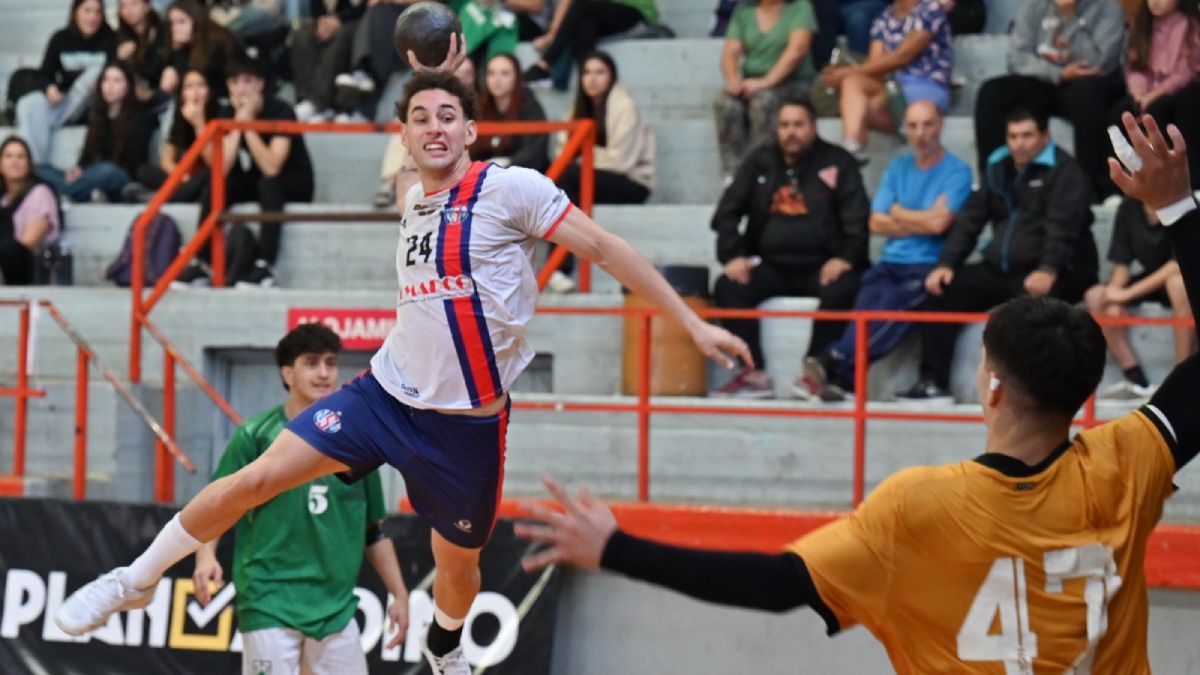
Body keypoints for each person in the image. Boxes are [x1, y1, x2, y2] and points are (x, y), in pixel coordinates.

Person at [54, 68, 750, 675]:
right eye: (420, 118)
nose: (435, 127)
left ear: (474, 130)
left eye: (449, 115)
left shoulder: (511, 190)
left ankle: (445, 644)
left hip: (465, 429)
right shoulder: (412, 198)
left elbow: (602, 244)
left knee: (458, 568)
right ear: (404, 137)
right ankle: (135, 577)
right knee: (254, 477)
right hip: (384, 396)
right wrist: (439, 76)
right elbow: (417, 159)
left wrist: (688, 321)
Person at [513, 112, 1200, 675]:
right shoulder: (1126, 463)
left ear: (990, 386)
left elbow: (775, 585)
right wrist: (1177, 205)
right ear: (1084, 389)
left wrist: (614, 547)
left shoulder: (918, 506)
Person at [191, 324, 408, 675]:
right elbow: (217, 503)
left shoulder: (359, 447)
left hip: (335, 607)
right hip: (269, 599)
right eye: (311, 363)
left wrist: (399, 594)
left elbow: (374, 532)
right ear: (287, 373)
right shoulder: (256, 436)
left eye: (330, 363)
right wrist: (205, 556)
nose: (324, 373)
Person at [898, 106, 1098, 402]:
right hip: (1002, 267)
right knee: (942, 292)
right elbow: (971, 219)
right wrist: (947, 263)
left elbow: (1063, 228)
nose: (1019, 143)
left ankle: (1031, 395)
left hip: (1060, 268)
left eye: (1027, 135)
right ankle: (933, 383)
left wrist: (1049, 269)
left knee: (1033, 312)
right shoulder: (998, 166)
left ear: (1045, 136)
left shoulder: (1065, 171)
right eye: (1013, 136)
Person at [797, 100, 971, 402]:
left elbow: (939, 225)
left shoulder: (957, 171)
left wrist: (899, 213)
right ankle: (845, 379)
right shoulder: (898, 166)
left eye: (928, 124)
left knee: (890, 310)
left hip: (926, 265)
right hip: (890, 262)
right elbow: (876, 222)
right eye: (913, 126)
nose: (921, 133)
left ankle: (836, 360)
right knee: (865, 310)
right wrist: (922, 217)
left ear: (940, 125)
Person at [711, 93, 869, 399]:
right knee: (728, 285)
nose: (791, 132)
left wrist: (845, 259)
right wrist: (732, 256)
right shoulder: (760, 160)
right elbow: (726, 213)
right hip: (771, 266)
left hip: (823, 267)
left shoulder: (838, 161)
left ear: (814, 126)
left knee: (846, 286)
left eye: (798, 125)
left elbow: (859, 218)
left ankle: (815, 373)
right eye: (784, 125)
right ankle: (753, 374)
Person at [175, 56, 315, 288]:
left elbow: (272, 167)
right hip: (257, 180)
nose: (241, 89)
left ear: (260, 84)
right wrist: (236, 126)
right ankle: (202, 262)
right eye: (234, 83)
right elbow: (222, 167)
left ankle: (265, 265)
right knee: (219, 183)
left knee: (267, 183)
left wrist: (247, 126)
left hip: (292, 183)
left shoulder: (281, 110)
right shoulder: (228, 111)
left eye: (247, 81)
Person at [973, 0, 1126, 200]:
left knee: (1089, 93)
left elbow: (1099, 63)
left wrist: (1070, 16)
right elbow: (1016, 58)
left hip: (1088, 86)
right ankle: (993, 187)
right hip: (1046, 80)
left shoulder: (1108, 9)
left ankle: (1088, 189)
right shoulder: (1034, 6)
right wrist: (1059, 73)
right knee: (991, 92)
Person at [550, 51, 654, 292]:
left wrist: (583, 154)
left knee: (568, 176)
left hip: (632, 183)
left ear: (612, 76)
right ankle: (556, 268)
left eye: (600, 72)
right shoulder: (575, 108)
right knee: (561, 183)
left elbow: (621, 161)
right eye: (587, 72)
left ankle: (559, 267)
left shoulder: (624, 106)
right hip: (588, 179)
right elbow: (561, 151)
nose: (592, 79)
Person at [1084, 197, 1194, 400]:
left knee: (1178, 285)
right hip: (1150, 276)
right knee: (1096, 296)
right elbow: (1121, 265)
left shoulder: (1184, 203)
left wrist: (1127, 293)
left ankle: (1182, 376)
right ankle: (1137, 379)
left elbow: (1177, 264)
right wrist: (1112, 295)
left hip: (1184, 276)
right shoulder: (1128, 207)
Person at [818, 0, 953, 162]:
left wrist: (849, 71)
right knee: (852, 82)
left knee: (863, 106)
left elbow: (902, 57)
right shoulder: (884, 17)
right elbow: (875, 63)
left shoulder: (930, 9)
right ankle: (852, 145)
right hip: (893, 88)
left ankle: (862, 143)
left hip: (926, 86)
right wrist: (846, 74)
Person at [714, 0, 819, 179]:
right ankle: (732, 175)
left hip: (793, 83)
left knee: (763, 101)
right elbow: (729, 53)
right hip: (754, 82)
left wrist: (766, 81)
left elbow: (798, 49)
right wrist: (733, 81)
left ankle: (763, 172)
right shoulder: (743, 10)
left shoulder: (800, 7)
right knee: (725, 102)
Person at [1110, 0, 1200, 187]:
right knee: (1118, 113)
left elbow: (1186, 72)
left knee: (1160, 110)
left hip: (1179, 89)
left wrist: (1152, 96)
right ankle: (1119, 183)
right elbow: (1135, 67)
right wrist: (1139, 94)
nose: (1155, 2)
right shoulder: (1142, 25)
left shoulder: (1190, 25)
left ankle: (1186, 180)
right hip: (1145, 92)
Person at [37, 62, 154, 204]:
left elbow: (134, 161)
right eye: (105, 79)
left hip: (120, 176)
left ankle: (63, 192)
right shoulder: (97, 115)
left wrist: (90, 172)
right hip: (91, 176)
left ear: (128, 85)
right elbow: (86, 155)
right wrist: (78, 169)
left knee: (107, 170)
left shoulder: (141, 117)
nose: (109, 86)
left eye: (117, 80)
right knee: (39, 169)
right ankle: (77, 191)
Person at [16, 0, 116, 166]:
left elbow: (119, 73)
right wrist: (49, 88)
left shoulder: (111, 39)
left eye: (98, 12)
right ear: (76, 12)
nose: (93, 17)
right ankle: (35, 165)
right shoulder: (60, 39)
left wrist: (101, 84)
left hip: (97, 104)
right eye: (87, 11)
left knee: (94, 73)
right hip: (68, 103)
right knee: (29, 103)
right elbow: (45, 74)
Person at [128, 68, 219, 203]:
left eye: (201, 85)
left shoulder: (220, 113)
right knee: (144, 171)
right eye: (189, 87)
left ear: (209, 90)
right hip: (185, 176)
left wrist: (198, 123)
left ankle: (158, 197)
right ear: (182, 94)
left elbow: (215, 163)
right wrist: (185, 178)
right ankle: (180, 192)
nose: (196, 92)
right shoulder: (179, 116)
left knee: (208, 175)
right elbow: (166, 161)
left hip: (207, 176)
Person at [522, 0, 659, 85]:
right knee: (586, 24)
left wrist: (553, 34)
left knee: (581, 7)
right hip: (603, 12)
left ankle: (545, 63)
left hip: (634, 10)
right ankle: (587, 82)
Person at [468, 53, 550, 172]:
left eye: (505, 73)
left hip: (524, 177)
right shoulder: (480, 107)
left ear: (516, 77)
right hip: (486, 179)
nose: (497, 79)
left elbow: (535, 150)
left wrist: (508, 164)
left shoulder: (530, 107)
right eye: (491, 73)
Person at [290, 0, 367, 123]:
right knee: (302, 36)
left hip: (356, 21)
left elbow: (366, 8)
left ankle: (318, 103)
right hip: (327, 20)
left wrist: (340, 20)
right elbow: (316, 7)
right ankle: (306, 100)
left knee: (340, 38)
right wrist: (322, 21)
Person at [0, 137, 62, 286]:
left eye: (21, 156)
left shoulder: (40, 193)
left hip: (27, 268)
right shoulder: (2, 197)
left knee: (11, 250)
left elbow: (29, 242)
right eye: (8, 156)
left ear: (29, 164)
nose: (14, 161)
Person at [160, 0, 241, 98]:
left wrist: (178, 75)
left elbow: (200, 79)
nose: (175, 28)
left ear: (196, 20)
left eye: (181, 22)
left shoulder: (216, 44)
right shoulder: (183, 46)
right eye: (172, 23)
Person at [116, 0, 169, 102]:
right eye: (123, 6)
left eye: (134, 4)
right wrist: (120, 59)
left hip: (162, 94)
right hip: (133, 98)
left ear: (147, 6)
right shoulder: (120, 37)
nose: (128, 10)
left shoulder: (163, 32)